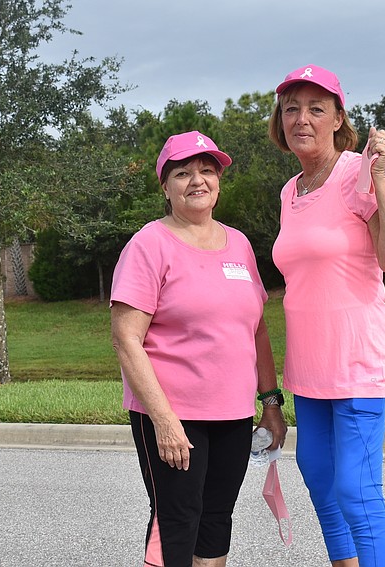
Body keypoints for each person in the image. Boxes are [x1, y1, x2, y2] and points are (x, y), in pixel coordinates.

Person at [110, 130, 288, 567]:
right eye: (183, 172)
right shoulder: (149, 245)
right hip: (173, 414)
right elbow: (126, 338)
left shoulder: (239, 244)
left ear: (220, 181)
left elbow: (257, 329)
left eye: (207, 170)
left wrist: (270, 402)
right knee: (176, 522)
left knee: (215, 520)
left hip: (232, 414)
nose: (197, 180)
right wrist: (165, 422)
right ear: (165, 187)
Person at [268, 64, 385, 567]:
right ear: (280, 121)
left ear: (338, 118)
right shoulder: (291, 191)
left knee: (356, 489)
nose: (301, 118)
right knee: (319, 478)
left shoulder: (358, 172)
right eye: (291, 108)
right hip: (309, 368)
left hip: (355, 362)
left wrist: (378, 177)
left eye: (315, 108)